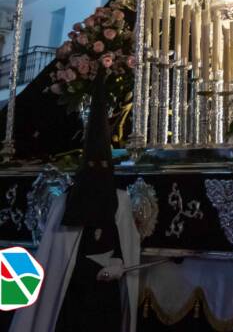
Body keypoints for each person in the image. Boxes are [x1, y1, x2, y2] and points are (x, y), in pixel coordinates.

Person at [10, 75, 140, 332]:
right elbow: (54, 262)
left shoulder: (121, 201)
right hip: (72, 300)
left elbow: (128, 246)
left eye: (103, 166)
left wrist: (117, 265)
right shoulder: (65, 203)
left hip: (106, 301)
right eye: (92, 166)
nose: (97, 172)